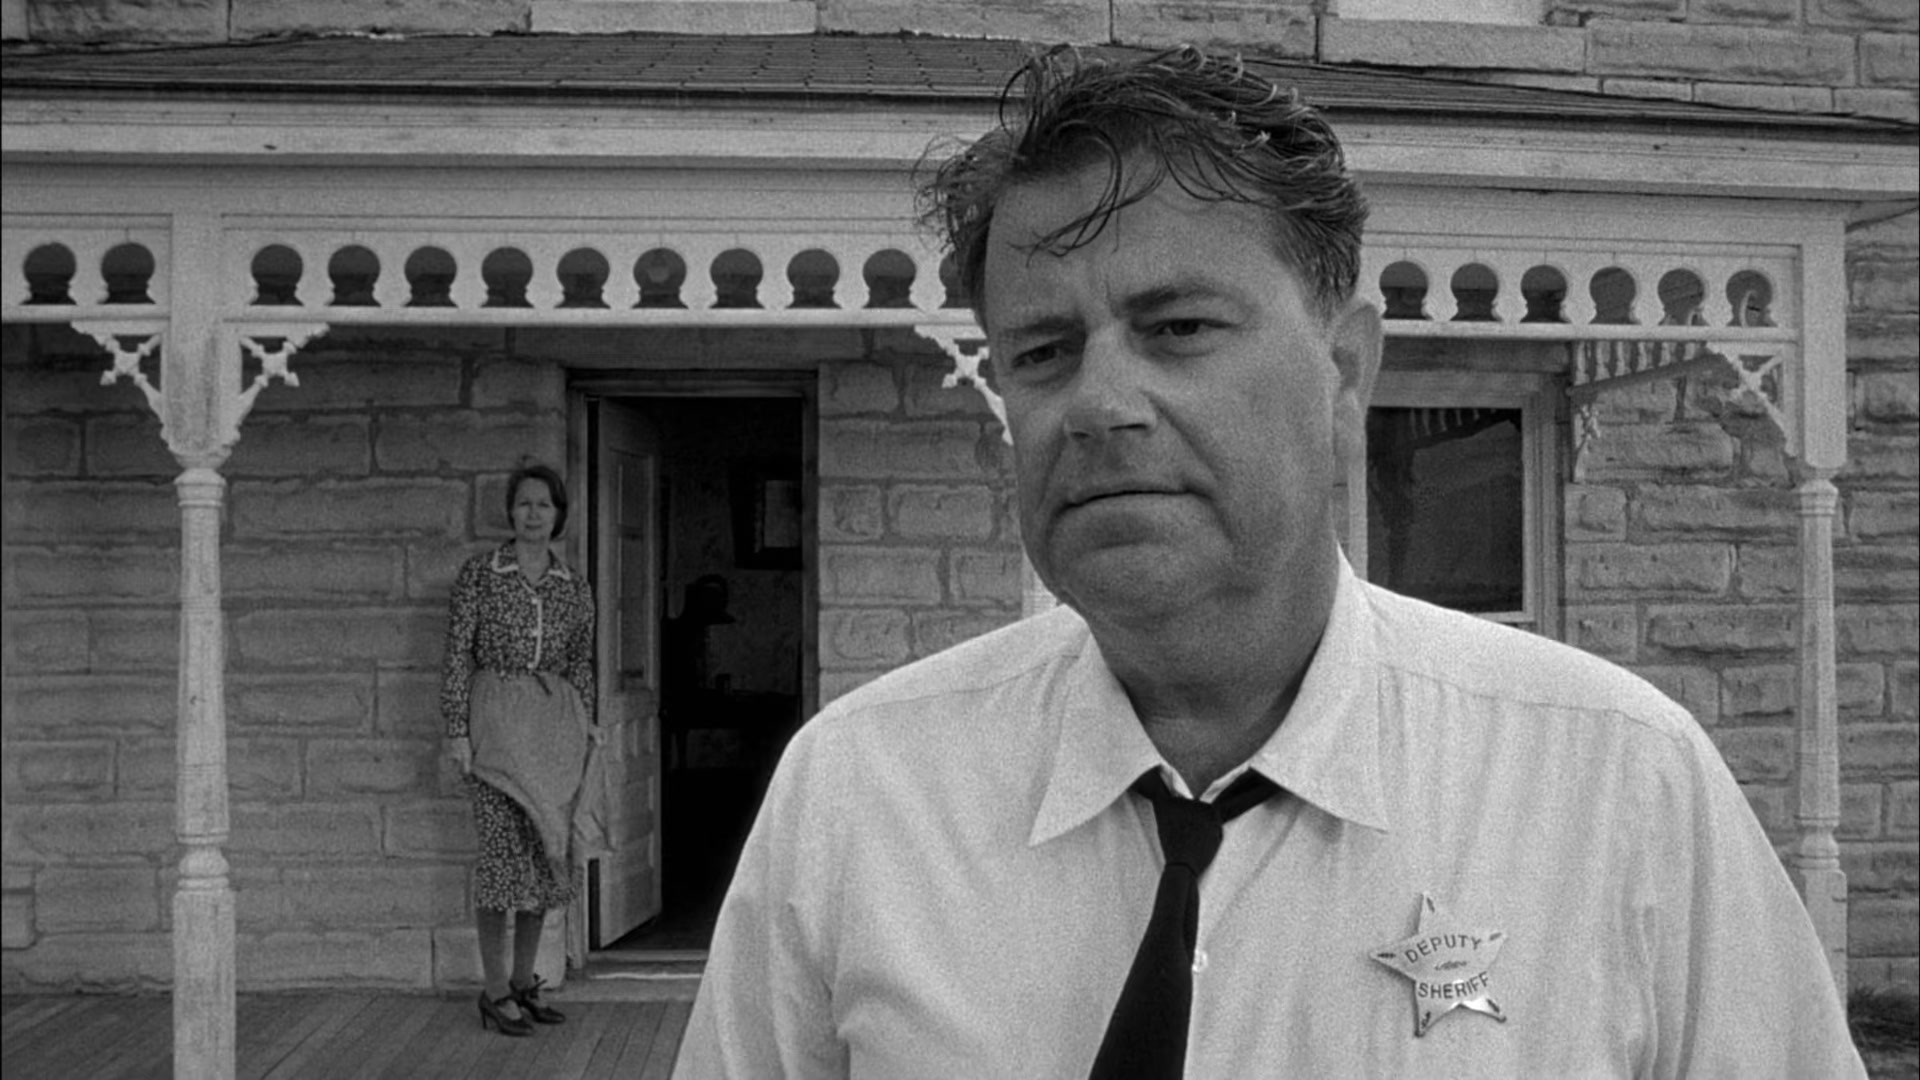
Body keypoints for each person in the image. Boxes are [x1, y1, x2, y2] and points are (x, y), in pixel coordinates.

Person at [674, 46, 1865, 1078]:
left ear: (1344, 373)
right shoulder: (859, 795)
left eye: (1178, 329)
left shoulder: (1617, 787)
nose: (1098, 403)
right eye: (1041, 352)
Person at [441, 462, 600, 1038]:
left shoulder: (572, 586)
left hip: (552, 729)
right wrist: (457, 730)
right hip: (496, 724)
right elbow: (458, 654)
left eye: (544, 505)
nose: (534, 514)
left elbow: (580, 661)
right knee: (501, 860)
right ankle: (493, 991)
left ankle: (523, 982)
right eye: (525, 503)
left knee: (544, 856)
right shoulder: (481, 575)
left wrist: (587, 725)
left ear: (559, 516)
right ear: (510, 511)